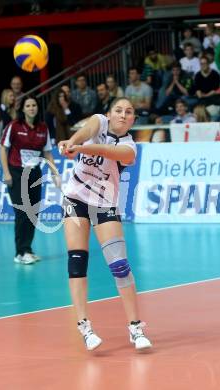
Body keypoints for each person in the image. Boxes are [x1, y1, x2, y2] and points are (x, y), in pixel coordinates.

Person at [58, 97, 152, 351]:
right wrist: (70, 143)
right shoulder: (98, 122)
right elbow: (85, 132)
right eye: (118, 110)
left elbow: (106, 151)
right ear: (109, 114)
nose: (123, 114)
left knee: (120, 265)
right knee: (77, 261)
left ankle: (135, 327)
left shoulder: (130, 148)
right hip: (74, 199)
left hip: (104, 204)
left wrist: (79, 149)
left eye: (129, 112)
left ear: (133, 119)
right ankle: (84, 326)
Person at [0, 95, 60, 264]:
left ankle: (28, 250)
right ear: (23, 109)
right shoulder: (14, 125)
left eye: (34, 105)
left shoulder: (43, 128)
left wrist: (55, 173)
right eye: (28, 105)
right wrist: (6, 173)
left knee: (33, 212)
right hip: (16, 172)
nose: (32, 108)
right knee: (22, 212)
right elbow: (3, 149)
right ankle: (20, 253)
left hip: (34, 173)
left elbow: (48, 153)